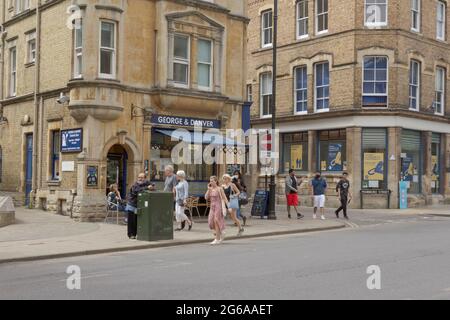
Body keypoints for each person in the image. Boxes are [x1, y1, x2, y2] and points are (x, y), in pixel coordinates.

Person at [125, 173, 155, 240]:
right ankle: (131, 234)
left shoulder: (146, 183)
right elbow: (136, 191)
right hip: (132, 205)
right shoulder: (135, 185)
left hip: (139, 206)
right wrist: (147, 187)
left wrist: (151, 186)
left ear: (145, 178)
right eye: (139, 177)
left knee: (137, 221)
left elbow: (153, 184)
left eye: (142, 177)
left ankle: (136, 234)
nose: (140, 179)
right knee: (131, 221)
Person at [206, 176, 228, 245]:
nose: (211, 182)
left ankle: (217, 239)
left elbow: (224, 198)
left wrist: (229, 207)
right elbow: (206, 197)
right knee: (210, 222)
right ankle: (221, 232)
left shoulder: (219, 189)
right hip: (212, 207)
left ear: (216, 181)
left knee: (216, 220)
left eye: (212, 181)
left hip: (218, 206)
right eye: (210, 181)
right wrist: (208, 190)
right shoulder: (210, 189)